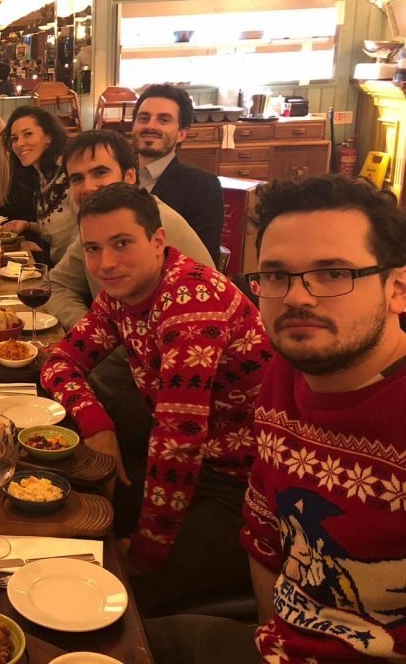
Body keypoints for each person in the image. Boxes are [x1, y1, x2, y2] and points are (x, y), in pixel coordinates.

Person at [149, 176, 406, 664]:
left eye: (332, 273)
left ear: (397, 289)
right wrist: (274, 644)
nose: (297, 297)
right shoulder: (283, 375)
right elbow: (266, 537)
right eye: (276, 275)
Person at [41, 183, 272, 617]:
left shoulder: (190, 300)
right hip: (183, 465)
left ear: (157, 241)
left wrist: (146, 552)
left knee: (114, 598)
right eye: (93, 248)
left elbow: (180, 441)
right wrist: (98, 425)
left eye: (122, 244)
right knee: (69, 517)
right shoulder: (122, 293)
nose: (106, 263)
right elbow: (58, 363)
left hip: (244, 485)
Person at [45, 129, 215, 468]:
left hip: (209, 447)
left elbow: (177, 445)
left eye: (100, 172)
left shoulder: (154, 236)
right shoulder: (103, 225)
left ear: (131, 176)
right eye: (77, 178)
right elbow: (58, 286)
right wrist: (91, 333)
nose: (88, 187)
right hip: (135, 387)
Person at [132, 83, 224, 264]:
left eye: (163, 120)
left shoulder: (202, 187)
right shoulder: (116, 177)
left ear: (182, 133)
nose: (150, 126)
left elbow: (202, 264)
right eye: (143, 118)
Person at [1, 105, 77, 265]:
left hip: (77, 274)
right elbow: (59, 226)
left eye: (27, 134)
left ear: (48, 137)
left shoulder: (69, 173)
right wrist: (28, 225)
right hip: (59, 269)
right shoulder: (41, 178)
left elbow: (85, 233)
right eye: (14, 138)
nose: (20, 143)